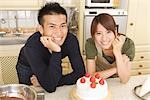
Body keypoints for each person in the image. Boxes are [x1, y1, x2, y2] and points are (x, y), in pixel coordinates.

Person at [16, 2, 85, 93]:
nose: (59, 32)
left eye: (63, 26)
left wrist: (46, 82)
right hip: (28, 67)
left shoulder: (71, 40)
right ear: (41, 29)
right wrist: (57, 51)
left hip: (51, 62)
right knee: (29, 93)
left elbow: (80, 73)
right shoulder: (32, 47)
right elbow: (50, 88)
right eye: (52, 26)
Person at [85, 13, 135, 83]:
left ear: (115, 31)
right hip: (99, 81)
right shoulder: (91, 43)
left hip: (117, 81)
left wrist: (117, 52)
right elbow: (91, 77)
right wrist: (117, 69)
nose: (104, 38)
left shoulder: (128, 44)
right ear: (93, 35)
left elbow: (124, 80)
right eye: (99, 33)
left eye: (108, 32)